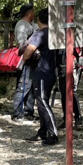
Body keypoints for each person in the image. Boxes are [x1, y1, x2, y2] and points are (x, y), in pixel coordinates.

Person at [22, 8, 59, 145]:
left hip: (41, 71)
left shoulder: (40, 33)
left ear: (39, 19)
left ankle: (53, 133)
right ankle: (43, 132)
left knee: (42, 102)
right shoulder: (55, 33)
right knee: (42, 101)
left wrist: (25, 58)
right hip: (51, 70)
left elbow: (29, 50)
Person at [55, 28, 83, 130]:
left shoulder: (81, 34)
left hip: (75, 66)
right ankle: (67, 118)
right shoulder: (60, 32)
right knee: (63, 92)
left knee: (72, 91)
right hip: (62, 66)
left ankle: (77, 117)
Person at [11, 2, 36, 121]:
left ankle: (29, 111)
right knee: (23, 86)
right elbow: (22, 45)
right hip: (26, 60)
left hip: (35, 60)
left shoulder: (33, 25)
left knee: (32, 87)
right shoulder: (21, 25)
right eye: (33, 11)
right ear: (29, 13)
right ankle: (17, 112)